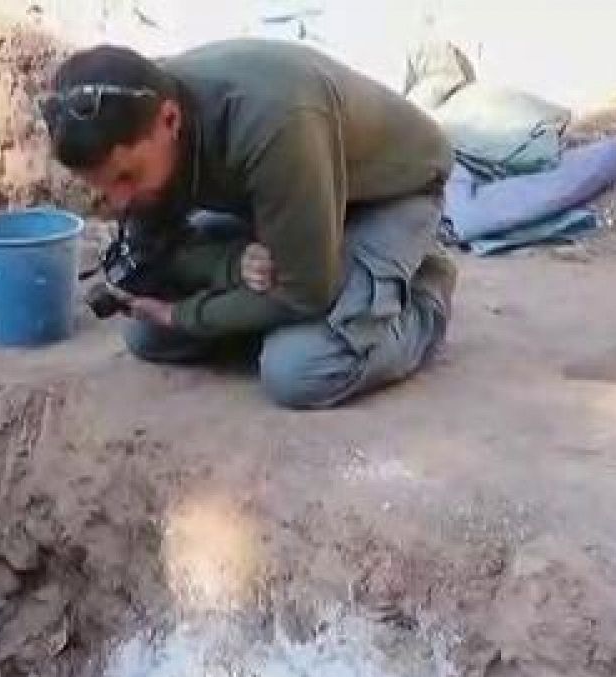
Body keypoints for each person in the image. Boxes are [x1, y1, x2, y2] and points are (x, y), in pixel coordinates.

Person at [41, 39, 458, 408]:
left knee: (298, 370)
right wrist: (234, 261)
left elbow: (306, 292)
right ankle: (305, 291)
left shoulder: (272, 120)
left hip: (387, 197)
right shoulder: (143, 107)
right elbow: (158, 253)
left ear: (170, 120)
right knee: (145, 336)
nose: (119, 201)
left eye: (126, 177)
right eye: (103, 189)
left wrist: (182, 315)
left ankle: (422, 294)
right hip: (289, 194)